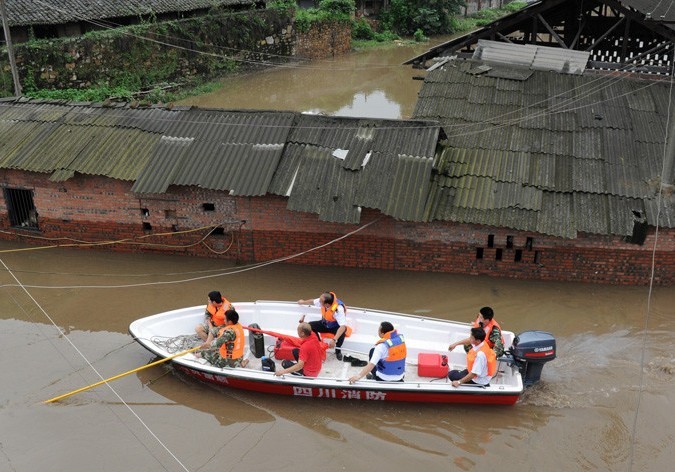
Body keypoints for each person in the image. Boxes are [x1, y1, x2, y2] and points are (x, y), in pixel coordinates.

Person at [298, 291, 348, 360]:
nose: (319, 302)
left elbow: (343, 326)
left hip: (335, 327)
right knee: (310, 326)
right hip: (325, 323)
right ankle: (318, 344)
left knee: (342, 332)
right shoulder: (323, 300)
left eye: (321, 302)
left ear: (327, 304)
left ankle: (338, 351)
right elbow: (313, 301)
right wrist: (302, 302)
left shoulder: (338, 309)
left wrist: (334, 340)